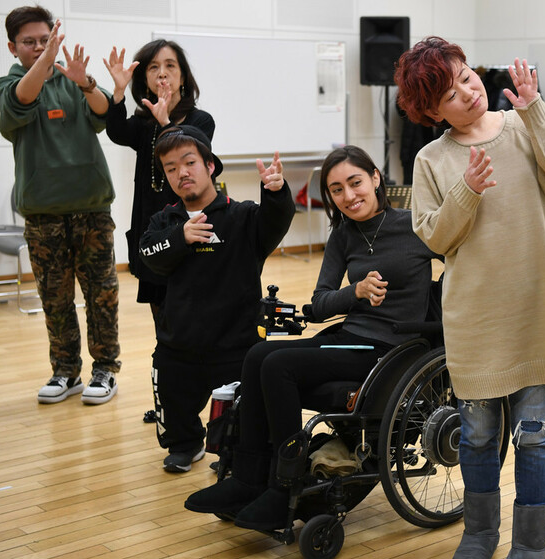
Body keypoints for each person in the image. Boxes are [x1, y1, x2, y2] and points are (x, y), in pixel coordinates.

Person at [393, 37, 545, 559]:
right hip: (475, 321)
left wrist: (536, 109)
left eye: (466, 77)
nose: (468, 92)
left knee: (534, 437)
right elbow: (435, 237)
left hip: (536, 312)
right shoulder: (431, 159)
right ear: (432, 113)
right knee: (476, 437)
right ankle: (479, 533)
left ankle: (531, 544)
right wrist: (467, 190)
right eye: (450, 95)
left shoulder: (523, 126)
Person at [182, 145, 441, 528]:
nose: (348, 196)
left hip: (391, 348)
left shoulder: (416, 226)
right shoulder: (343, 234)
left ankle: (284, 486)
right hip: (351, 337)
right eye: (337, 190)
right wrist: (354, 292)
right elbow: (318, 304)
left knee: (279, 366)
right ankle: (248, 479)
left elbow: (463, 262)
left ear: (375, 178)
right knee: (257, 354)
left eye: (355, 183)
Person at [139, 125, 294, 472]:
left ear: (210, 165)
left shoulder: (242, 216)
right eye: (171, 168)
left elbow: (275, 221)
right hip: (179, 344)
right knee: (170, 387)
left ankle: (232, 450)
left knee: (242, 428)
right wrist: (180, 237)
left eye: (189, 162)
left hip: (235, 345)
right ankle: (186, 443)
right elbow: (148, 254)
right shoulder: (165, 221)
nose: (181, 173)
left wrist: (276, 192)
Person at [0, 5, 121, 405]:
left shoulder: (73, 78)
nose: (38, 47)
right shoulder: (7, 84)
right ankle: (66, 371)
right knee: (55, 299)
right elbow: (22, 99)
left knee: (102, 295)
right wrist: (45, 62)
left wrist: (86, 84)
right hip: (43, 215)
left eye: (44, 40)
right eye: (28, 42)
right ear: (13, 47)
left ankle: (105, 370)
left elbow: (103, 114)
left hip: (92, 209)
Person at [103, 40, 214, 323]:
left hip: (187, 225)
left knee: (191, 310)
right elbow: (117, 132)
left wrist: (166, 122)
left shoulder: (201, 120)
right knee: (161, 316)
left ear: (183, 77)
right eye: (153, 67)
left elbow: (188, 151)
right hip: (153, 227)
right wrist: (118, 92)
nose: (162, 73)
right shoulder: (144, 122)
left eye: (170, 66)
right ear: (145, 80)